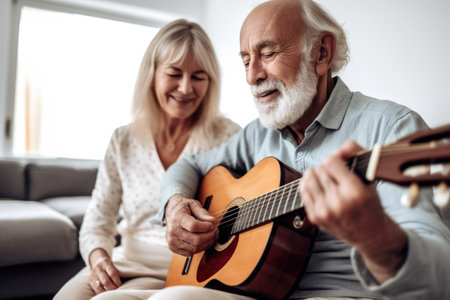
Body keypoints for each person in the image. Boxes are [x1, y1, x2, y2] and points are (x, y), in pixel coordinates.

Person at [152, 0, 450, 299]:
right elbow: (189, 165)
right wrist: (176, 204)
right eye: (245, 61)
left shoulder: (391, 129)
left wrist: (377, 236)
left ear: (321, 53)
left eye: (268, 54)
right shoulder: (257, 134)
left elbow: (439, 279)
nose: (252, 75)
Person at [54, 19, 241, 300]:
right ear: (152, 74)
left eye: (199, 76)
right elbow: (98, 220)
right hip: (128, 262)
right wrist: (98, 259)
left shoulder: (229, 136)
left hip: (198, 269)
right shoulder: (123, 139)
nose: (186, 88)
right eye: (174, 74)